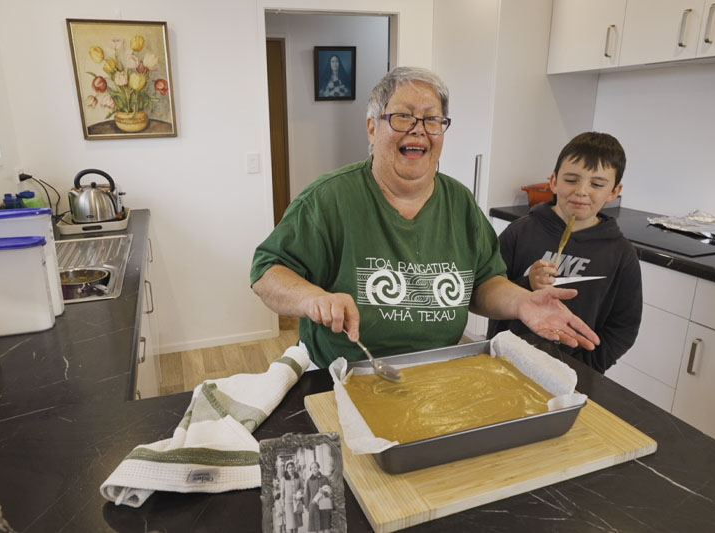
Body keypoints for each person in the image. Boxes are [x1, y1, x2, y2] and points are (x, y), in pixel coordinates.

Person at [251, 66, 600, 369]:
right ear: (373, 129)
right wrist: (314, 299)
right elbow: (267, 272)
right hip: (341, 375)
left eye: (432, 119)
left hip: (438, 372)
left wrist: (523, 303)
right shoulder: (329, 199)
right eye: (402, 116)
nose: (419, 129)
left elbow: (483, 284)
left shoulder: (460, 204)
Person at [487, 132, 642, 373]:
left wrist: (586, 368)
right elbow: (489, 291)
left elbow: (624, 327)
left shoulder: (621, 254)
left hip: (574, 374)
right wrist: (528, 284)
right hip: (505, 361)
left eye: (597, 184)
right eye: (571, 180)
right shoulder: (520, 233)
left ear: (614, 191)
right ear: (553, 181)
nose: (582, 191)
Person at [303, 461, 330, 532]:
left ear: (318, 468)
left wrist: (324, 492)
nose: (314, 469)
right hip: (313, 505)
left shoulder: (324, 478)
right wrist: (306, 506)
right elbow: (307, 494)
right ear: (310, 470)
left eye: (315, 467)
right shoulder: (309, 481)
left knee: (326, 526)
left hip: (324, 504)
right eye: (312, 468)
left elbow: (329, 491)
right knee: (317, 527)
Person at [279, 461, 303, 533]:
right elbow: (282, 493)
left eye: (292, 467)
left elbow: (302, 488)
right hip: (288, 503)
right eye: (289, 467)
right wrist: (282, 504)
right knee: (290, 524)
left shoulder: (298, 477)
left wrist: (299, 493)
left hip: (297, 502)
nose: (291, 469)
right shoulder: (283, 479)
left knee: (296, 523)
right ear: (286, 469)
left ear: (294, 468)